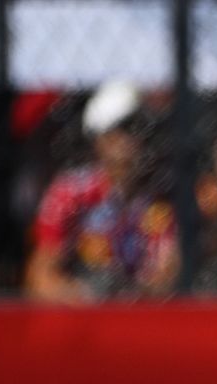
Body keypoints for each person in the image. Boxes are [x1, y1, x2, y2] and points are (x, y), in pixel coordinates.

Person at [26, 81, 177, 300]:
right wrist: (85, 298)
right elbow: (40, 276)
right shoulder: (71, 193)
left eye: (143, 127)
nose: (137, 139)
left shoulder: (162, 194)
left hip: (144, 310)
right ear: (100, 139)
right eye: (126, 128)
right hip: (85, 311)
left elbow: (169, 271)